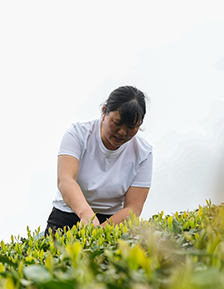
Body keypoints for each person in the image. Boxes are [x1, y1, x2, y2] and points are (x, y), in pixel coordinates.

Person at [44, 85, 152, 235]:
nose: (122, 132)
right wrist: (86, 215)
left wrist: (99, 234)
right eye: (117, 122)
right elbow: (66, 179)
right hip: (68, 215)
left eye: (131, 126)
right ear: (104, 111)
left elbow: (133, 208)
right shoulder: (78, 135)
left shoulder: (143, 152)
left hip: (113, 221)